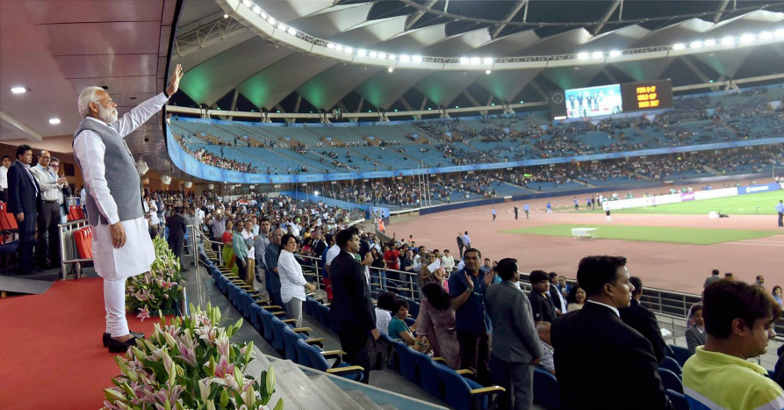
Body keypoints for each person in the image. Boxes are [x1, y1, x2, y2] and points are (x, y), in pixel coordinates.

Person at [73, 64, 183, 353]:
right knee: (115, 272)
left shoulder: (106, 129)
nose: (115, 104)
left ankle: (115, 329)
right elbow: (95, 181)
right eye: (109, 101)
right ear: (94, 107)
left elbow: (136, 116)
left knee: (118, 273)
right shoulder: (88, 135)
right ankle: (118, 335)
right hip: (113, 217)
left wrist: (166, 94)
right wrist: (113, 220)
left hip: (121, 214)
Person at [551, 256, 672, 410]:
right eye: (626, 282)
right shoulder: (634, 341)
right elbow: (656, 401)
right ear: (608, 289)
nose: (632, 287)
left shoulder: (560, 324)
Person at [683, 280, 784, 409]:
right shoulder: (762, 392)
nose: (772, 334)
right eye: (766, 327)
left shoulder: (689, 366)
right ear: (739, 327)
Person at [485, 258, 542, 410]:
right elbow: (526, 329)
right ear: (515, 273)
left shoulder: (491, 290)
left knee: (504, 392)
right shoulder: (518, 295)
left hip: (498, 350)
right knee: (523, 393)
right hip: (519, 354)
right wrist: (537, 352)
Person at [329, 227, 379, 384]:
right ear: (348, 243)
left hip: (342, 320)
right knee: (362, 363)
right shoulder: (354, 265)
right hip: (356, 323)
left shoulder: (336, 262)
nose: (359, 243)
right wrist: (372, 326)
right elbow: (361, 298)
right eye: (356, 240)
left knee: (350, 358)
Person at [448, 247, 494, 385]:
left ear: (480, 260)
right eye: (467, 258)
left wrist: (487, 287)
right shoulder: (457, 277)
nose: (471, 261)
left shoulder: (487, 276)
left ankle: (485, 392)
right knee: (469, 366)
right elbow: (454, 305)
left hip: (486, 328)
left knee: (485, 364)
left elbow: (492, 302)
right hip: (467, 328)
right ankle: (469, 393)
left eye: (474, 258)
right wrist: (469, 289)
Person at [7, 145, 41, 275]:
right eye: (27, 154)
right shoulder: (15, 168)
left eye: (31, 155)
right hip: (24, 210)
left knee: (30, 237)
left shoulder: (26, 169)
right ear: (20, 156)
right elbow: (14, 191)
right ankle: (25, 268)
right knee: (26, 238)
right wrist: (19, 210)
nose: (30, 157)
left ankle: (29, 265)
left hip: (31, 207)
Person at [620, 276, 670, 363]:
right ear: (640, 292)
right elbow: (659, 348)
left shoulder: (616, 310)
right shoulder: (646, 314)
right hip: (645, 363)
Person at [29, 150, 64, 268]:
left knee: (55, 233)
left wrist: (59, 183)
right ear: (39, 157)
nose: (47, 160)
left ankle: (56, 260)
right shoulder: (34, 170)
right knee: (43, 233)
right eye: (45, 157)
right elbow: (40, 187)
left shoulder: (51, 170)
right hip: (44, 204)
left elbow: (60, 185)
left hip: (55, 203)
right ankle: (42, 261)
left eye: (48, 158)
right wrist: (55, 183)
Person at [417, 283, 460, 369]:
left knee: (448, 363)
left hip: (444, 337)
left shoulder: (426, 302)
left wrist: (417, 344)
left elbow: (422, 324)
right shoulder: (450, 299)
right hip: (455, 335)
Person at [277, 233, 315, 327]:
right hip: (292, 294)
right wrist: (307, 284)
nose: (294, 244)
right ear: (284, 245)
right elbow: (293, 276)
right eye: (291, 242)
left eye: (295, 242)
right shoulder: (285, 256)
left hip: (295, 292)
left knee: (295, 322)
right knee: (296, 324)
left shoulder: (289, 255)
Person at [264, 227, 284, 307]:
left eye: (281, 235)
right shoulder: (270, 249)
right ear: (273, 237)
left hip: (282, 285)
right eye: (277, 235)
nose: (280, 237)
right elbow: (275, 269)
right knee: (278, 308)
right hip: (275, 286)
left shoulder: (282, 248)